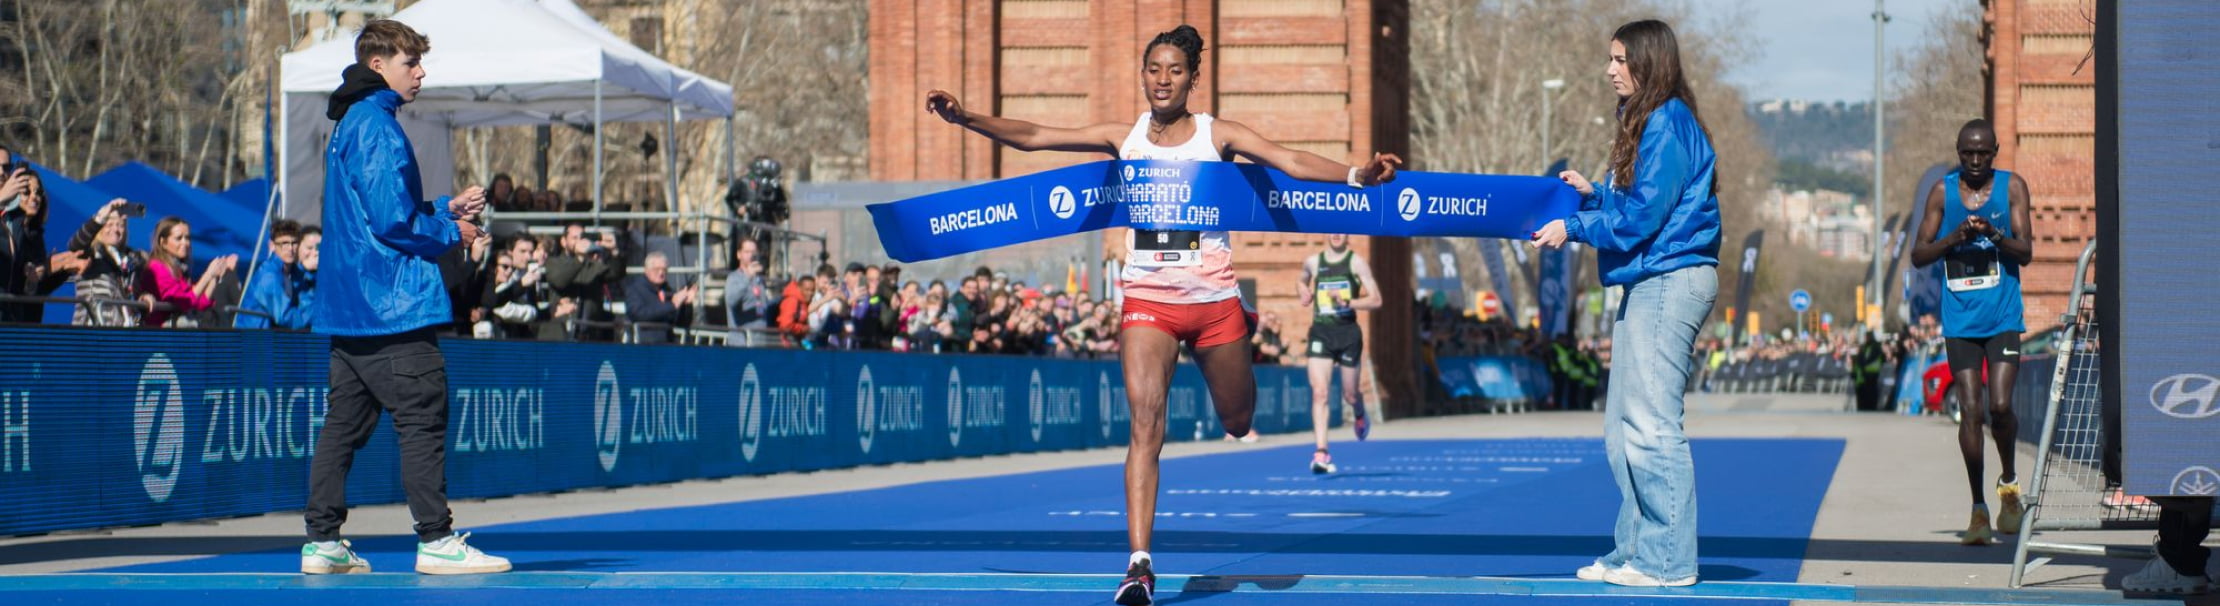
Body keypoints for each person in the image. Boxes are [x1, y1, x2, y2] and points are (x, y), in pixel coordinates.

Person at [924, 24, 1400, 605]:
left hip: (1214, 304)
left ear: (1192, 78)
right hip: (1148, 300)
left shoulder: (1217, 135)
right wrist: (966, 118)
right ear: (1143, 75)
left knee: (1237, 420)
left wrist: (1357, 176)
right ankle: (1139, 565)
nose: (1163, 80)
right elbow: (1035, 135)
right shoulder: (1123, 137)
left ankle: (1240, 358)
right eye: (1154, 70)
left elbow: (1289, 161)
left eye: (1175, 70)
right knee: (1145, 424)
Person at [302, 19, 508, 576]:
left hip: (353, 310)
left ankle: (322, 541)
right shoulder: (375, 124)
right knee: (422, 420)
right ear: (378, 66)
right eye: (410, 62)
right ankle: (436, 539)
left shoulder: (353, 120)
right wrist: (451, 232)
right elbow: (392, 221)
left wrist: (443, 208)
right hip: (391, 303)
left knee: (343, 426)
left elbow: (378, 210)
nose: (420, 72)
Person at [1532, 19, 1721, 587]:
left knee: (1651, 425)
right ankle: (1634, 550)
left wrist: (1574, 226)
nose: (1609, 70)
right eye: (1610, 59)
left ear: (1648, 62)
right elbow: (1642, 203)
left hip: (1669, 278)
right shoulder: (1651, 120)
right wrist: (1595, 193)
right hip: (1651, 279)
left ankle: (1667, 562)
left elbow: (1643, 218)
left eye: (1620, 59)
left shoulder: (1666, 121)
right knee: (1622, 429)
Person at [1909, 119, 2032, 546]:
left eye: (1983, 153)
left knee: (2000, 406)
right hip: (1960, 320)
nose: (1975, 161)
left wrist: (1995, 235)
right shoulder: (1941, 192)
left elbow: (2026, 251)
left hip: (2002, 316)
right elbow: (1919, 254)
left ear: (1995, 151)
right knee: (1971, 411)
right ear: (1958, 152)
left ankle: (2009, 485)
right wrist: (1954, 238)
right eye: (1968, 154)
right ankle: (1978, 508)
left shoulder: (2012, 188)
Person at [1297, 233, 1380, 472]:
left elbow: (1376, 300)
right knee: (1320, 393)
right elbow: (1301, 280)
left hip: (1347, 334)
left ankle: (1359, 412)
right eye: (1332, 231)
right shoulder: (1314, 262)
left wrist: (1349, 302)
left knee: (1350, 394)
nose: (1336, 235)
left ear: (1347, 236)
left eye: (1341, 232)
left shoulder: (1356, 263)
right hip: (1321, 333)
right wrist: (1303, 290)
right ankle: (1321, 452)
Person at [0, 166, 73, 323]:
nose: (35, 197)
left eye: (38, 192)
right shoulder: (7, 227)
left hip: (26, 322)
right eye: (27, 192)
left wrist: (60, 271)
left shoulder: (35, 235)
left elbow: (34, 292)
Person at [138, 217, 238, 327]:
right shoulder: (157, 267)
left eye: (187, 238)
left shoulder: (179, 268)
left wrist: (216, 276)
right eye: (179, 238)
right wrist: (208, 274)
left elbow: (200, 303)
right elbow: (185, 301)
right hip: (164, 329)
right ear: (163, 242)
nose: (185, 243)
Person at [66, 200, 143, 326]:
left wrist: (145, 295)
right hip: (92, 327)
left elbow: (134, 292)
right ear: (99, 227)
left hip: (123, 329)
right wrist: (101, 216)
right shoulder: (91, 254)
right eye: (109, 224)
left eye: (120, 225)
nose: (115, 229)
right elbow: (75, 246)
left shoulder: (130, 260)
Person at [236, 220, 310, 329]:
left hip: (275, 336)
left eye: (294, 243)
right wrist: (317, 314)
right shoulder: (268, 276)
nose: (290, 248)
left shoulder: (296, 273)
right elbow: (285, 317)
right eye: (284, 243)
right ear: (272, 245)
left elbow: (305, 302)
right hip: (254, 337)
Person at [622, 251, 697, 344]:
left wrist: (686, 304)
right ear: (646, 270)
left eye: (664, 270)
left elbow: (682, 323)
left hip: (668, 345)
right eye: (656, 269)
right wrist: (672, 305)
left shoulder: (668, 290)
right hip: (643, 344)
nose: (661, 273)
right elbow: (638, 314)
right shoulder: (635, 289)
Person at [723, 238, 772, 346]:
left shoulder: (759, 280)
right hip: (741, 343)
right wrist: (748, 276)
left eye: (754, 252)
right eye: (747, 252)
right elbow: (731, 301)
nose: (751, 255)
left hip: (759, 343)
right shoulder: (734, 278)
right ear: (739, 255)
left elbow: (763, 306)